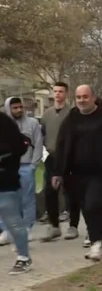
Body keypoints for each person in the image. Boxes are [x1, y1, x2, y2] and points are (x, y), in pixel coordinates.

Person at [52, 85, 102, 261]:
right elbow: (61, 145)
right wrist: (57, 172)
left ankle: (96, 243)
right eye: (78, 97)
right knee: (87, 206)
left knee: (92, 204)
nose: (82, 100)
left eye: (85, 97)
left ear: (94, 97)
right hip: (75, 173)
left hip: (99, 171)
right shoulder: (72, 118)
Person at [0, 97, 42, 246]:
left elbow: (38, 144)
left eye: (20, 107)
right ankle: (6, 230)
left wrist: (33, 165)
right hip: (6, 169)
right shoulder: (4, 124)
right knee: (6, 201)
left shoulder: (33, 123)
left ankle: (27, 228)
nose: (18, 110)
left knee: (27, 199)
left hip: (26, 165)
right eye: (15, 108)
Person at [39, 82, 76, 240]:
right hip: (52, 156)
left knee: (71, 192)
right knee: (50, 191)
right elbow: (42, 134)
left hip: (70, 157)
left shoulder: (72, 113)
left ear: (66, 94)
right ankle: (54, 225)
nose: (57, 94)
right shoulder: (46, 114)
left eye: (61, 91)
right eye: (55, 91)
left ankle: (73, 225)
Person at [0, 110, 32, 274]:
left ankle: (23, 257)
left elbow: (17, 147)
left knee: (13, 222)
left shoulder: (4, 122)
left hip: (5, 182)